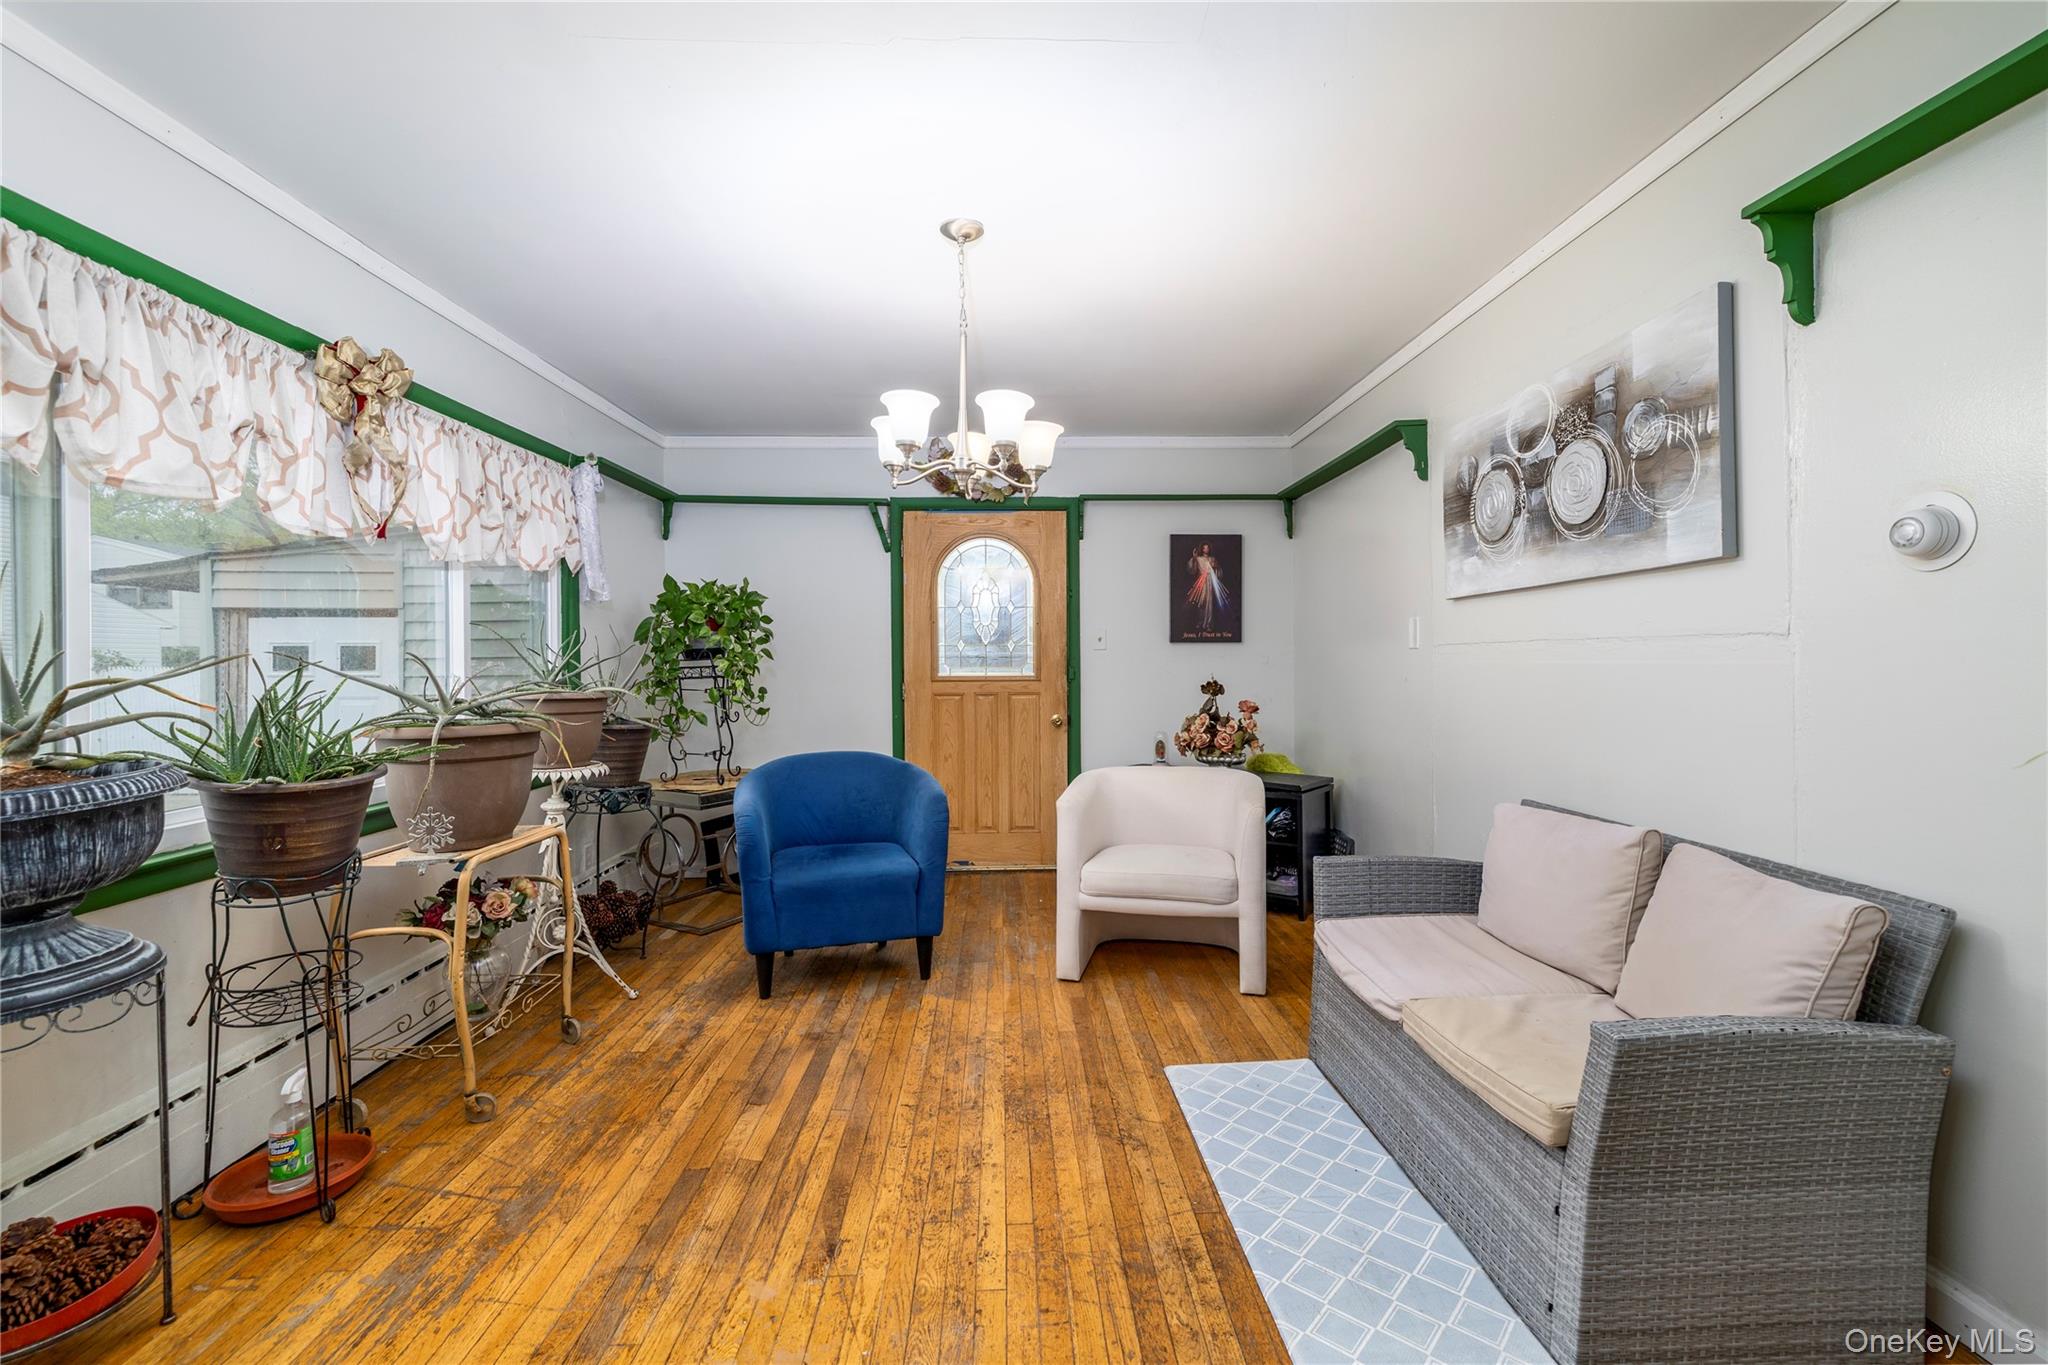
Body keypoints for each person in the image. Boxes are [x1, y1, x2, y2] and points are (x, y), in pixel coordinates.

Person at [1183, 542, 1230, 632]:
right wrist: (1194, 557)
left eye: (1207, 548)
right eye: (1204, 548)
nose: (1206, 549)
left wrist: (1215, 567)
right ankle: (1200, 622)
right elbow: (1192, 569)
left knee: (1209, 603)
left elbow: (1219, 572)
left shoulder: (1212, 559)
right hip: (1201, 583)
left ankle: (1208, 624)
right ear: (1202, 549)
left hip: (1210, 583)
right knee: (1201, 602)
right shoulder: (1199, 559)